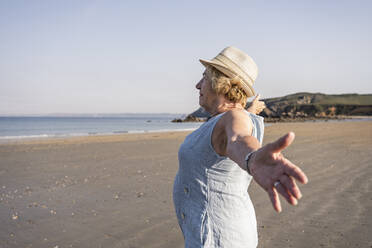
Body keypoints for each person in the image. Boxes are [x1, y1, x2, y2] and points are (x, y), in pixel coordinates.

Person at [173, 46, 308, 247]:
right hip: (223, 229)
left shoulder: (234, 117)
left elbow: (238, 138)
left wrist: (253, 157)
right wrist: (251, 109)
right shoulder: (237, 117)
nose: (197, 85)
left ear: (221, 84)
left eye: (204, 78)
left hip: (217, 236)